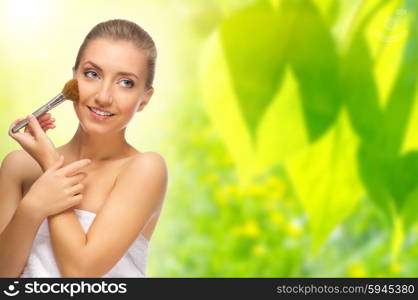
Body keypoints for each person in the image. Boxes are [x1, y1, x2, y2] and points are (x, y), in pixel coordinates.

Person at [0, 19, 168, 277]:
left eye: (125, 83)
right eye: (92, 74)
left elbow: (81, 273)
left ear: (144, 99)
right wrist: (32, 206)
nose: (103, 96)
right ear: (74, 79)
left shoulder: (145, 169)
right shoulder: (20, 167)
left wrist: (51, 167)